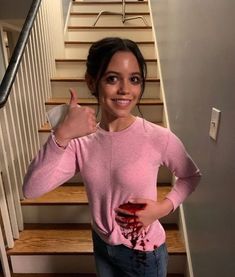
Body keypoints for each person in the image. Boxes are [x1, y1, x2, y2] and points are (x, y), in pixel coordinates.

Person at [23, 37, 201, 277]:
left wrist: (161, 209)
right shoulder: (80, 143)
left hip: (143, 254)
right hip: (102, 246)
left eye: (134, 79)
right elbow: (32, 189)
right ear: (92, 82)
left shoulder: (157, 137)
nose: (125, 89)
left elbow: (191, 176)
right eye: (112, 78)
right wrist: (62, 134)